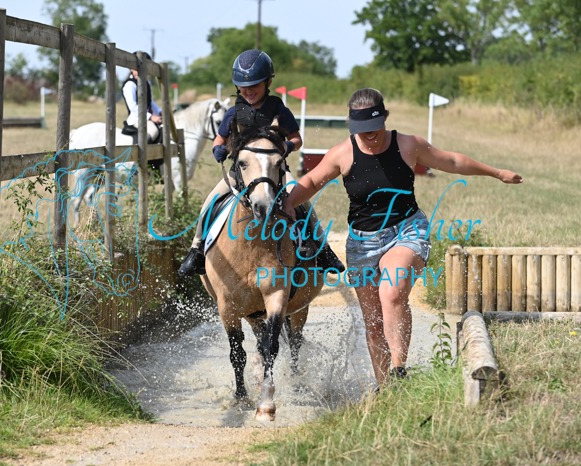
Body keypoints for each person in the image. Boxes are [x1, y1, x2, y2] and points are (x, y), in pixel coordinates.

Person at [282, 88, 523, 388]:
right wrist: (287, 203)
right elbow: (311, 181)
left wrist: (497, 172)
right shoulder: (343, 153)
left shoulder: (408, 145)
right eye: (363, 130)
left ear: (384, 118)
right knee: (373, 324)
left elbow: (451, 161)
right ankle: (386, 389)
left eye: (375, 127)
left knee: (392, 293)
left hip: (407, 231)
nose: (370, 135)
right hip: (362, 243)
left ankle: (399, 371)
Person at [178, 49, 344, 276]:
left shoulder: (278, 109)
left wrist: (288, 146)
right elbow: (220, 138)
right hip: (241, 174)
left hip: (276, 172)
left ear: (268, 82)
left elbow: (297, 139)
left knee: (303, 203)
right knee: (210, 201)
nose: (248, 91)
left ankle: (323, 249)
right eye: (243, 86)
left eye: (254, 85)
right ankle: (196, 250)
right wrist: (218, 148)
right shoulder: (234, 112)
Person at [121, 52, 162, 143]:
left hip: (146, 117)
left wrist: (160, 112)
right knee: (153, 131)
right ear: (131, 68)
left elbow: (150, 102)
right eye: (136, 68)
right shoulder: (130, 85)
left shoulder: (146, 83)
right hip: (136, 119)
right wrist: (150, 117)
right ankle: (141, 151)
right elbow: (133, 107)